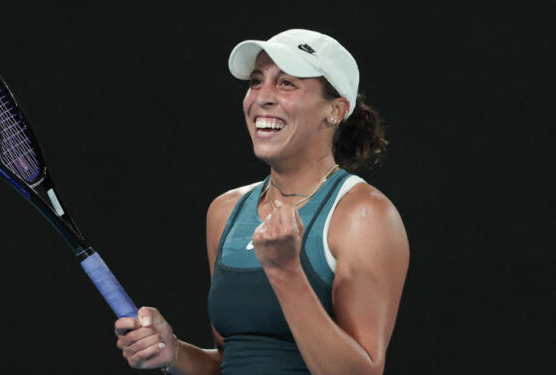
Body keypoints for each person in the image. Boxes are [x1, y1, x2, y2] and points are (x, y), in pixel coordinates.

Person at [114, 29, 409, 374]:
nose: (261, 98)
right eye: (256, 82)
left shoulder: (364, 214)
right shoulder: (225, 211)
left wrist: (286, 272)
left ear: (336, 110)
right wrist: (174, 352)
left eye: (286, 84)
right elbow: (231, 362)